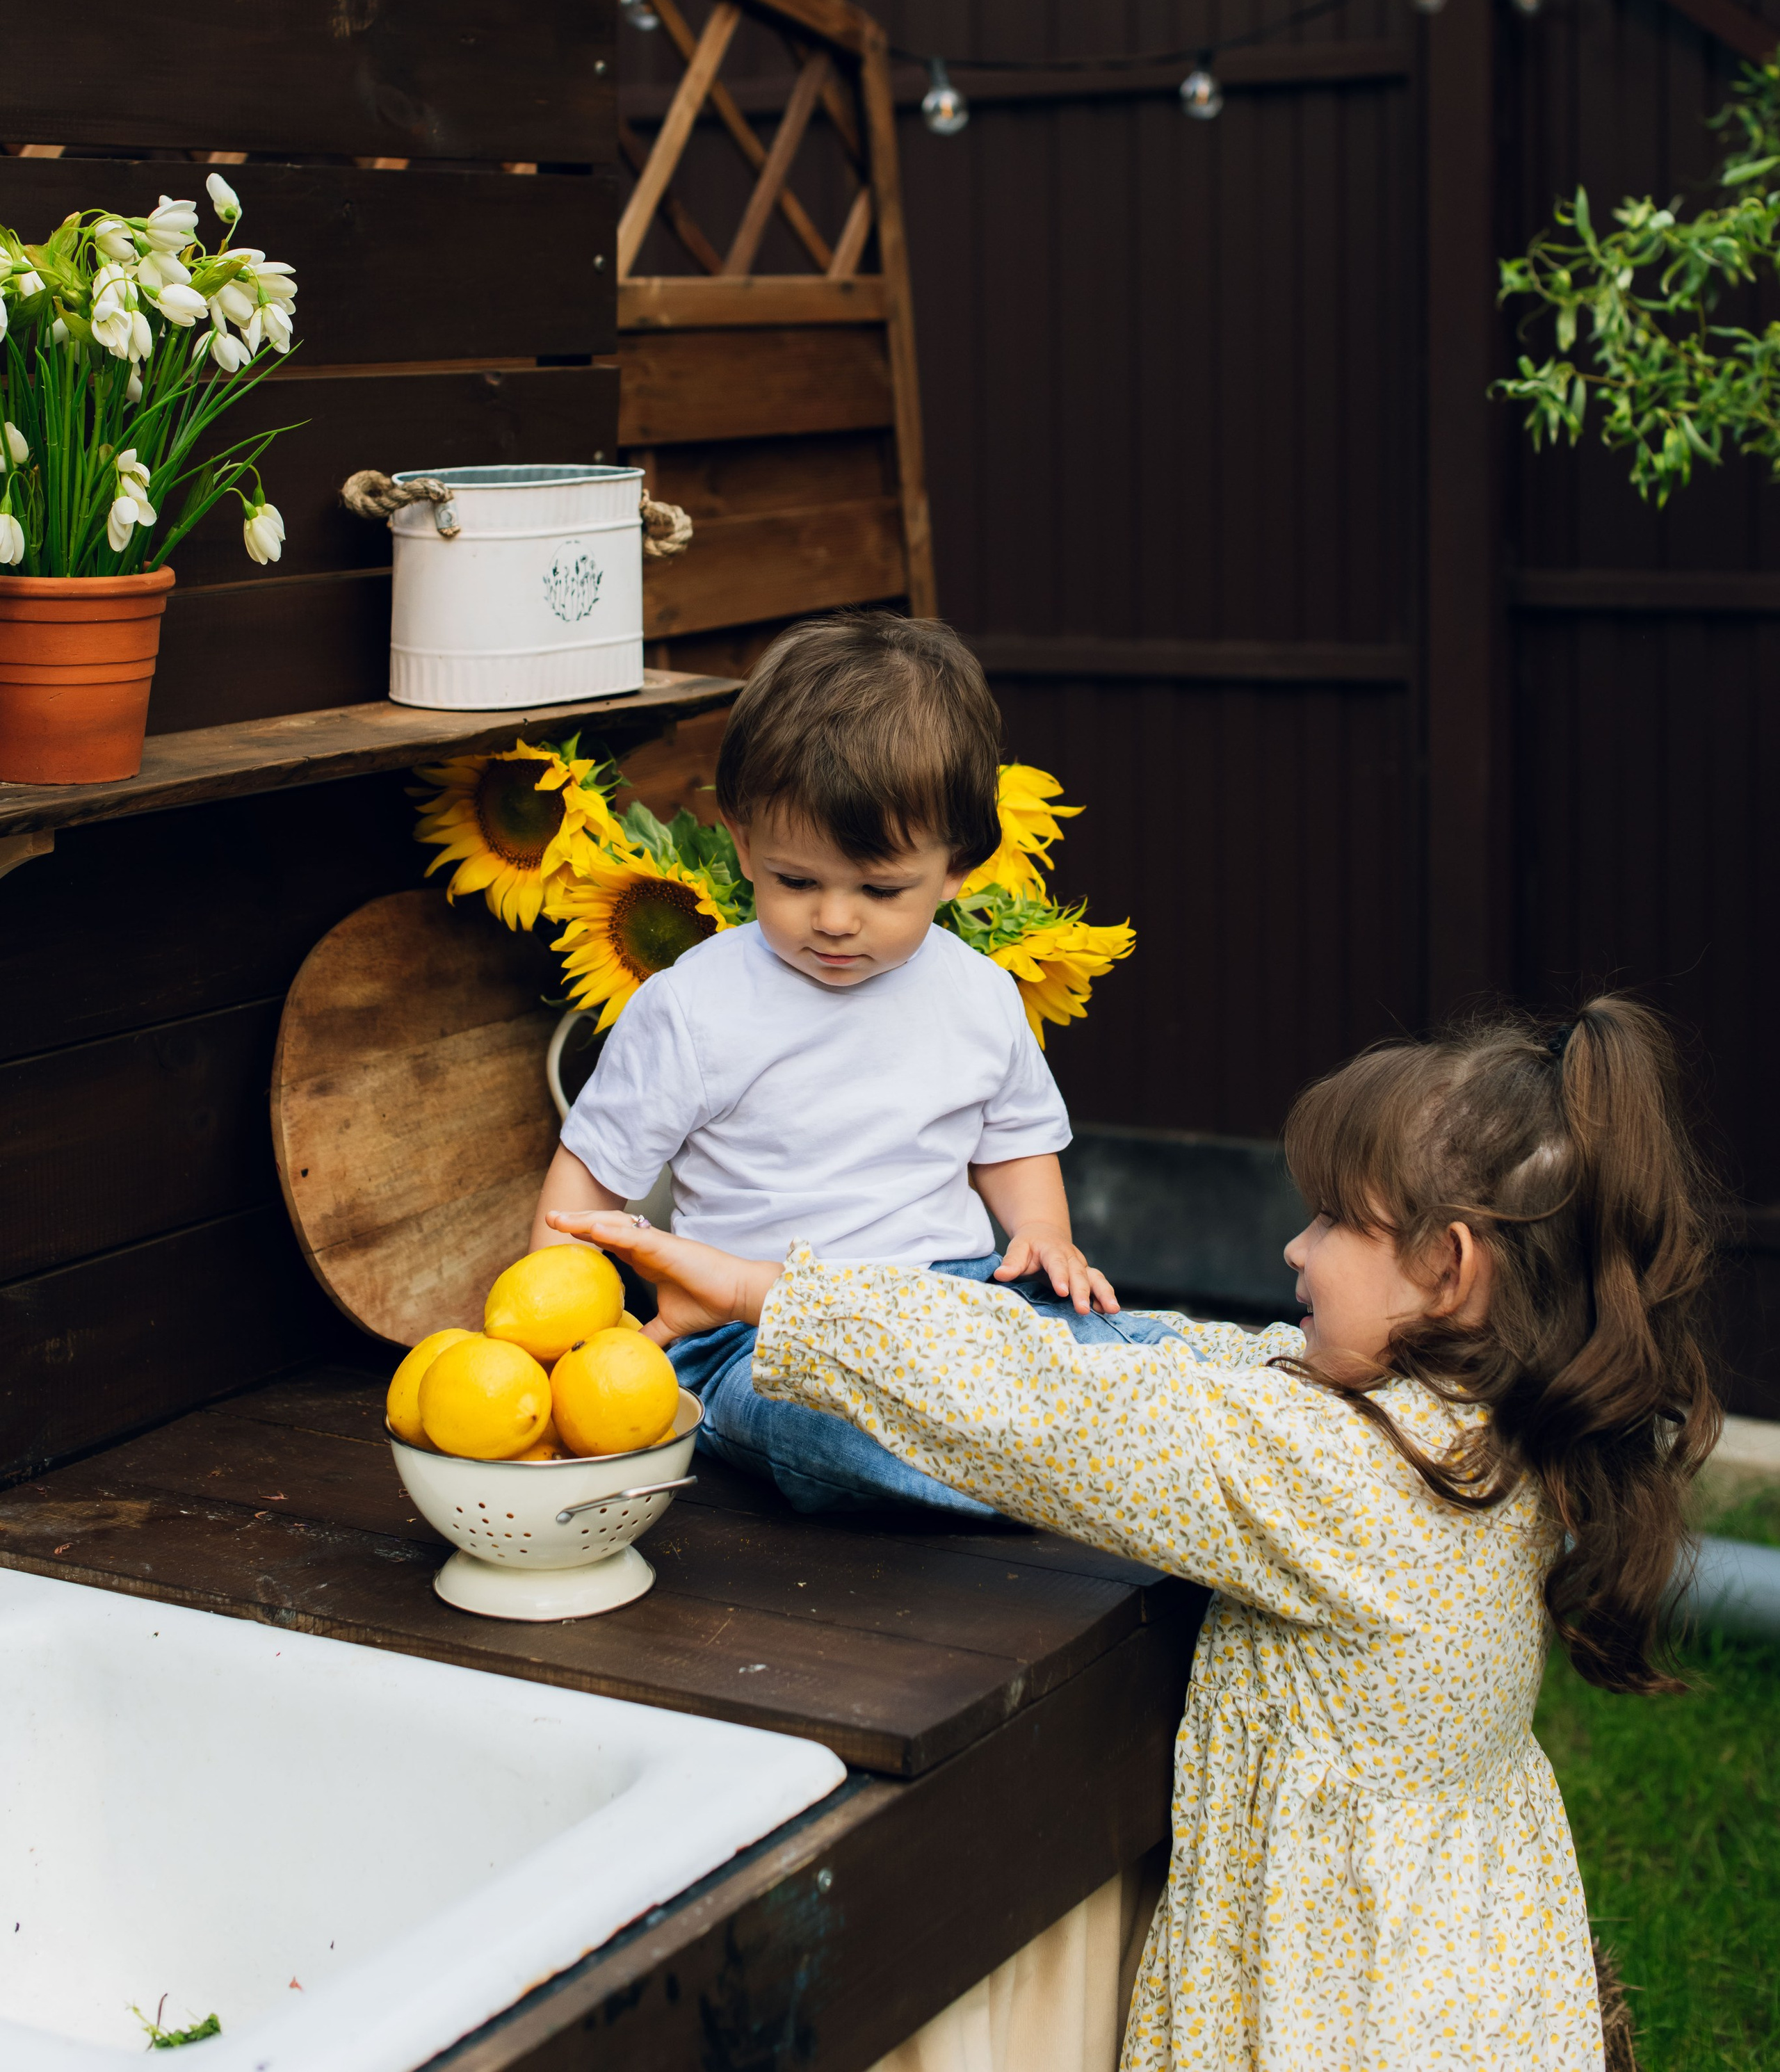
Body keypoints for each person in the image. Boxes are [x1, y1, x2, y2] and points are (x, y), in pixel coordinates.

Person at [549, 996, 1722, 2072]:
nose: (1294, 1253)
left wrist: (772, 1298)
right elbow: (1207, 1361)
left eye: (1328, 1223)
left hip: (1340, 2004)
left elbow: (1044, 1414)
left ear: (1451, 1269)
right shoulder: (1495, 1430)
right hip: (1464, 1961)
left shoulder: (1330, 1473)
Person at [528, 610, 1174, 1518]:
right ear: (745, 842)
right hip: (749, 1337)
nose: (835, 920)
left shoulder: (979, 994)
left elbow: (1014, 1142)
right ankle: (1071, 1473)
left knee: (1123, 1347)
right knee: (839, 1433)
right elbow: (589, 1181)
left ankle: (1216, 1406)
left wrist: (1045, 1236)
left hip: (949, 1303)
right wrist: (557, 1346)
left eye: (879, 890)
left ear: (958, 867)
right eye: (797, 881)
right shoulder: (692, 1006)